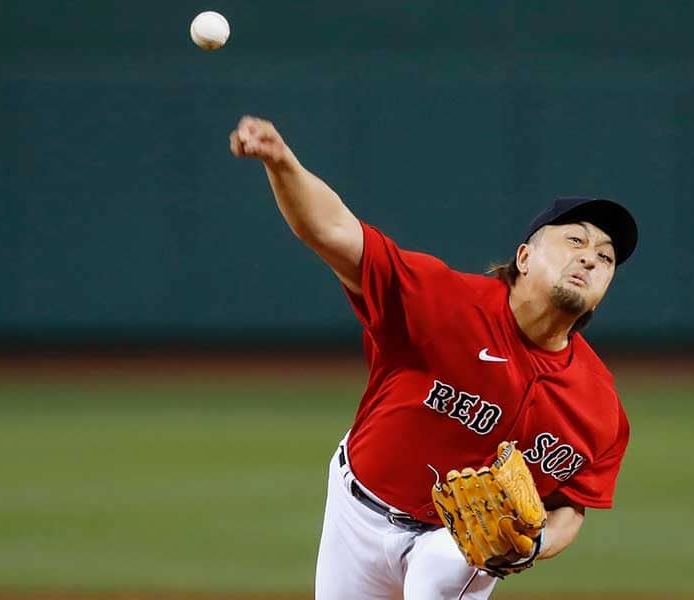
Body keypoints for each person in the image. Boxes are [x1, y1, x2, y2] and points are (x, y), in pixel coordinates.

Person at [229, 116, 638, 600]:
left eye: (606, 257)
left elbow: (571, 506)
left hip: (456, 544)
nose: (591, 259)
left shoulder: (599, 407)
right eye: (575, 241)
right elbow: (334, 231)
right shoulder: (443, 303)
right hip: (357, 511)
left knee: (455, 554)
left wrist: (536, 542)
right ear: (524, 257)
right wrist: (281, 162)